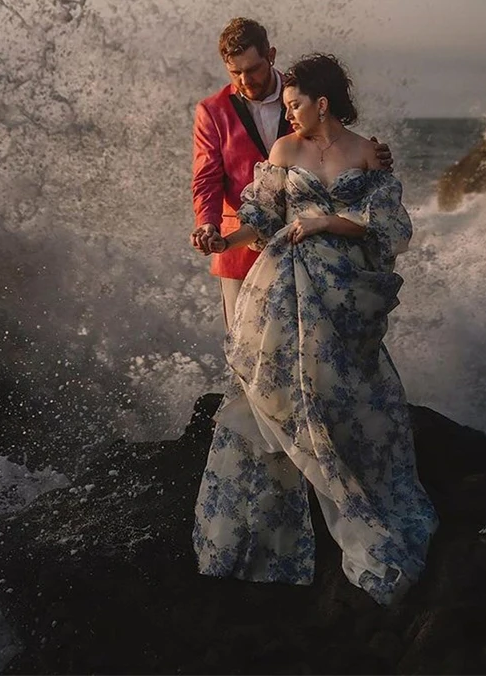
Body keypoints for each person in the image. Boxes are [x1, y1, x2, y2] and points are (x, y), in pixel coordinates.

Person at [191, 53, 437, 605]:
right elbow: (260, 217)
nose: (288, 112)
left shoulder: (368, 154)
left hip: (350, 294)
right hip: (291, 285)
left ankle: (360, 494)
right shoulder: (284, 150)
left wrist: (327, 222)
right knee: (286, 392)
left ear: (321, 103)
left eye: (295, 103)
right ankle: (278, 531)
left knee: (349, 394)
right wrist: (222, 241)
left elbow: (392, 229)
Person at [190, 18, 391, 328]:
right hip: (241, 243)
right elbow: (207, 178)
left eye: (253, 69)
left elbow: (334, 142)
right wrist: (208, 225)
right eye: (235, 72)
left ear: (271, 55)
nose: (245, 80)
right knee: (248, 354)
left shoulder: (305, 93)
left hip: (315, 252)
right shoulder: (211, 111)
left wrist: (371, 158)